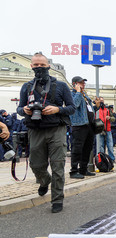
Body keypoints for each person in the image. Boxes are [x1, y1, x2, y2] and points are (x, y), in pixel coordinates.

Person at [17, 53, 75, 213]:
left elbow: (72, 108)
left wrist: (57, 109)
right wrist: (25, 110)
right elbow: (19, 109)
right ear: (31, 66)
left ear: (48, 65)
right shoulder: (26, 87)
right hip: (35, 130)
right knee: (36, 165)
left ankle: (57, 200)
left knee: (58, 166)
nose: (39, 68)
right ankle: (44, 181)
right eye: (36, 65)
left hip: (57, 129)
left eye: (42, 65)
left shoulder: (61, 86)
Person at [69, 75, 96, 179]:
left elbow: (88, 109)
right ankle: (74, 170)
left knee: (87, 148)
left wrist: (96, 106)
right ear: (75, 84)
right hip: (79, 125)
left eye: (84, 83)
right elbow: (74, 104)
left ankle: (83, 169)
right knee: (77, 148)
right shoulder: (72, 94)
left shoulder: (84, 95)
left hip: (89, 125)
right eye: (81, 83)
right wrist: (78, 92)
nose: (83, 85)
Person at [95, 98, 116, 162]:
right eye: (100, 101)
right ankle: (102, 159)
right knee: (100, 145)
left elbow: (113, 119)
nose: (101, 102)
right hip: (100, 130)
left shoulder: (108, 110)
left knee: (110, 145)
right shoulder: (97, 110)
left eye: (102, 100)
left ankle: (112, 159)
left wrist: (109, 118)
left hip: (108, 129)